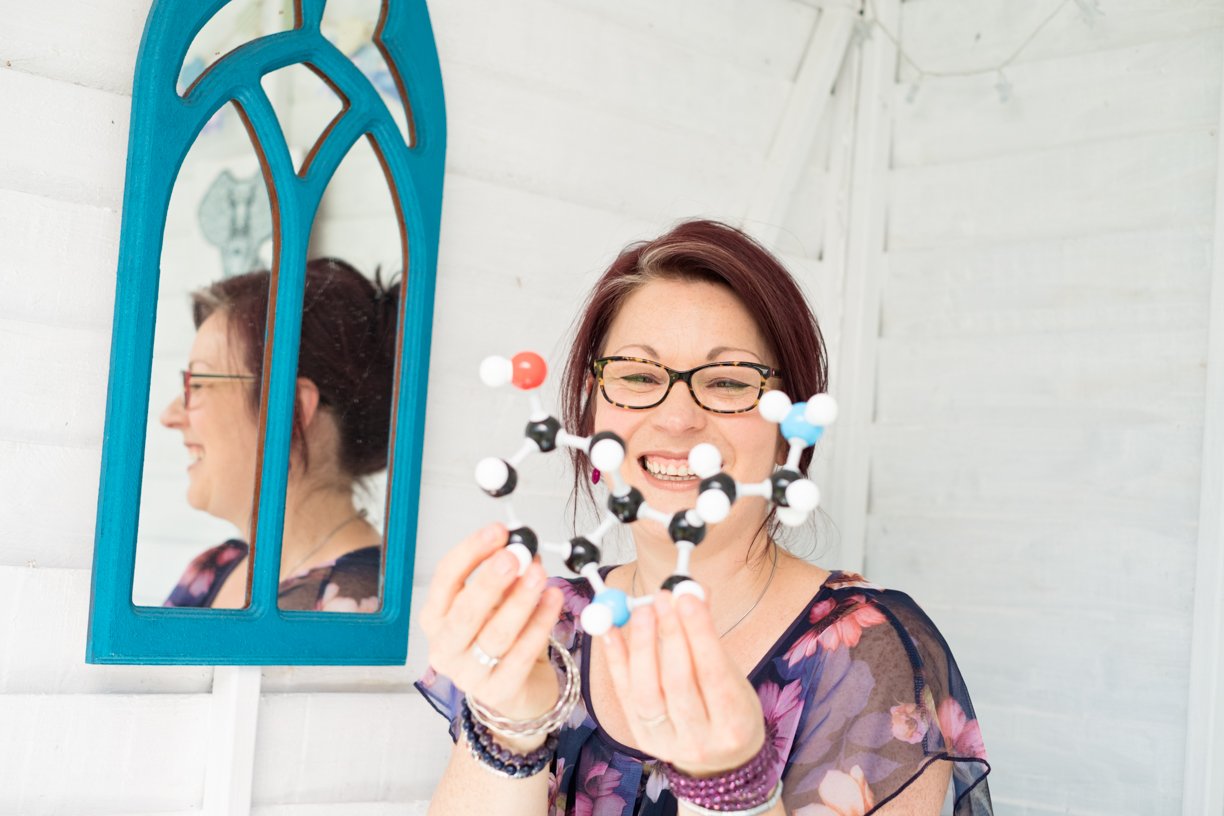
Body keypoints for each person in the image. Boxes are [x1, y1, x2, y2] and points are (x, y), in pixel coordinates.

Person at [415, 220, 992, 815]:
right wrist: (510, 735)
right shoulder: (546, 627)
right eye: (638, 375)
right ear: (590, 413)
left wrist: (732, 789)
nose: (678, 418)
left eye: (727, 382)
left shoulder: (869, 650)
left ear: (788, 428)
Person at [161, 258, 396, 612]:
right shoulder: (216, 566)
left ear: (291, 412)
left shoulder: (359, 608)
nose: (170, 415)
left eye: (199, 383)